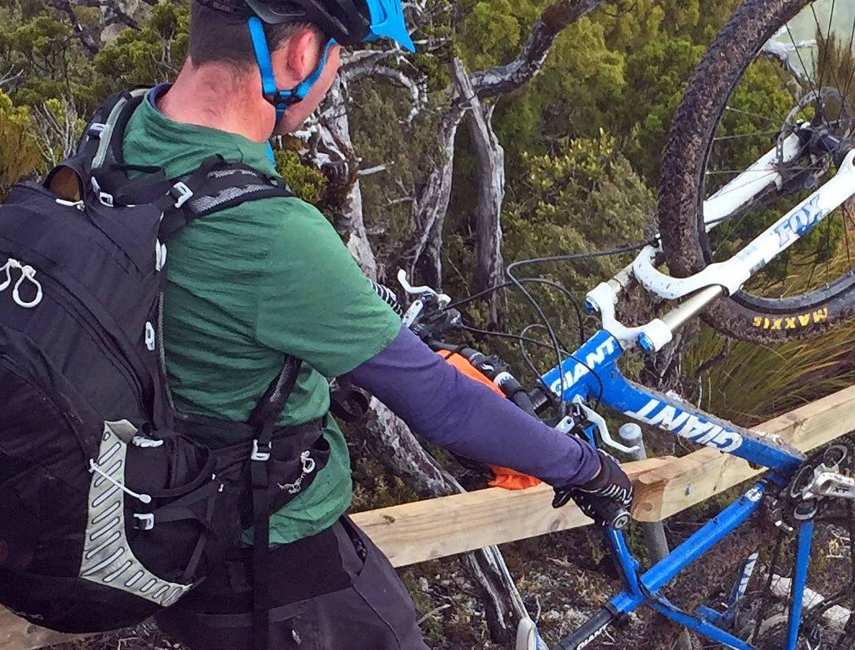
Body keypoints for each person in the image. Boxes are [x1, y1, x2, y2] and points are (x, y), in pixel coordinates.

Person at [120, 0, 635, 647]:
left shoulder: (118, 140)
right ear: (302, 55)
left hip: (166, 536)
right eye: (338, 54)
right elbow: (444, 406)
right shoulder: (268, 234)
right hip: (280, 575)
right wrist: (585, 468)